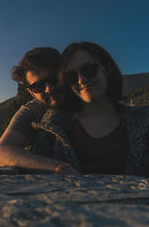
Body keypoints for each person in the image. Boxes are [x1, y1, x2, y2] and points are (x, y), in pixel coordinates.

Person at [32, 41, 149, 175]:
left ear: (107, 69)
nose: (81, 80)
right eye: (72, 77)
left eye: (89, 70)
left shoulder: (143, 119)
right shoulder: (55, 123)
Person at [0, 47, 80, 175]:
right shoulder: (33, 110)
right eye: (39, 86)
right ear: (31, 92)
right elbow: (1, 153)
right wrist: (59, 168)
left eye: (53, 78)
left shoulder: (87, 96)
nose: (48, 89)